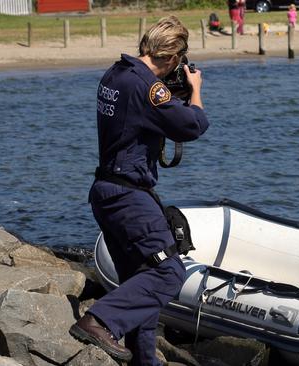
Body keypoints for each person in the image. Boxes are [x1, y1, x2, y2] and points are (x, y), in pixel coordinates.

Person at [69, 16, 209, 366]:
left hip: (106, 192)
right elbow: (193, 125)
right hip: (128, 197)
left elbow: (137, 118)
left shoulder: (115, 75)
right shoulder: (148, 88)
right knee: (168, 272)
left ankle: (143, 361)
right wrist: (194, 91)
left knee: (140, 280)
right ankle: (98, 321)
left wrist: (167, 94)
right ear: (174, 57)